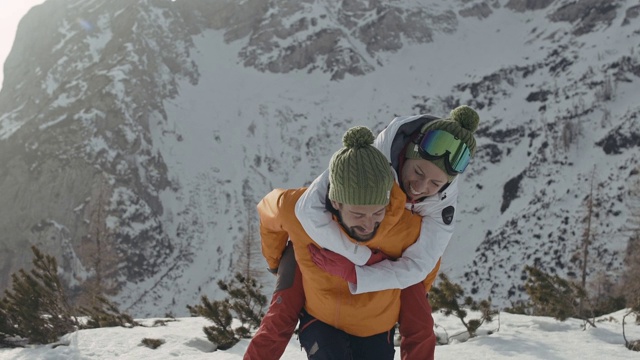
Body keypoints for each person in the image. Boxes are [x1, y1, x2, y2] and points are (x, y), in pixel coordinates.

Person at [244, 106, 480, 359]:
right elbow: (284, 211)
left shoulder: (417, 228)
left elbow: (420, 277)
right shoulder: (349, 176)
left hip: (375, 323)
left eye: (435, 184)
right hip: (323, 313)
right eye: (418, 173)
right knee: (280, 321)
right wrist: (282, 263)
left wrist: (368, 270)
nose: (421, 188)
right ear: (335, 202)